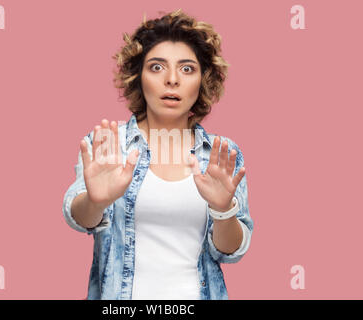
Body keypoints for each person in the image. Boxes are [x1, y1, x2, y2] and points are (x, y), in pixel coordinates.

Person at [62, 9, 254, 300]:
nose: (172, 79)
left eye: (187, 68)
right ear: (138, 77)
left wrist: (223, 210)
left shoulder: (220, 154)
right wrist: (95, 201)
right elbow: (79, 217)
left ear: (203, 80)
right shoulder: (109, 144)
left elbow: (229, 251)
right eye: (157, 67)